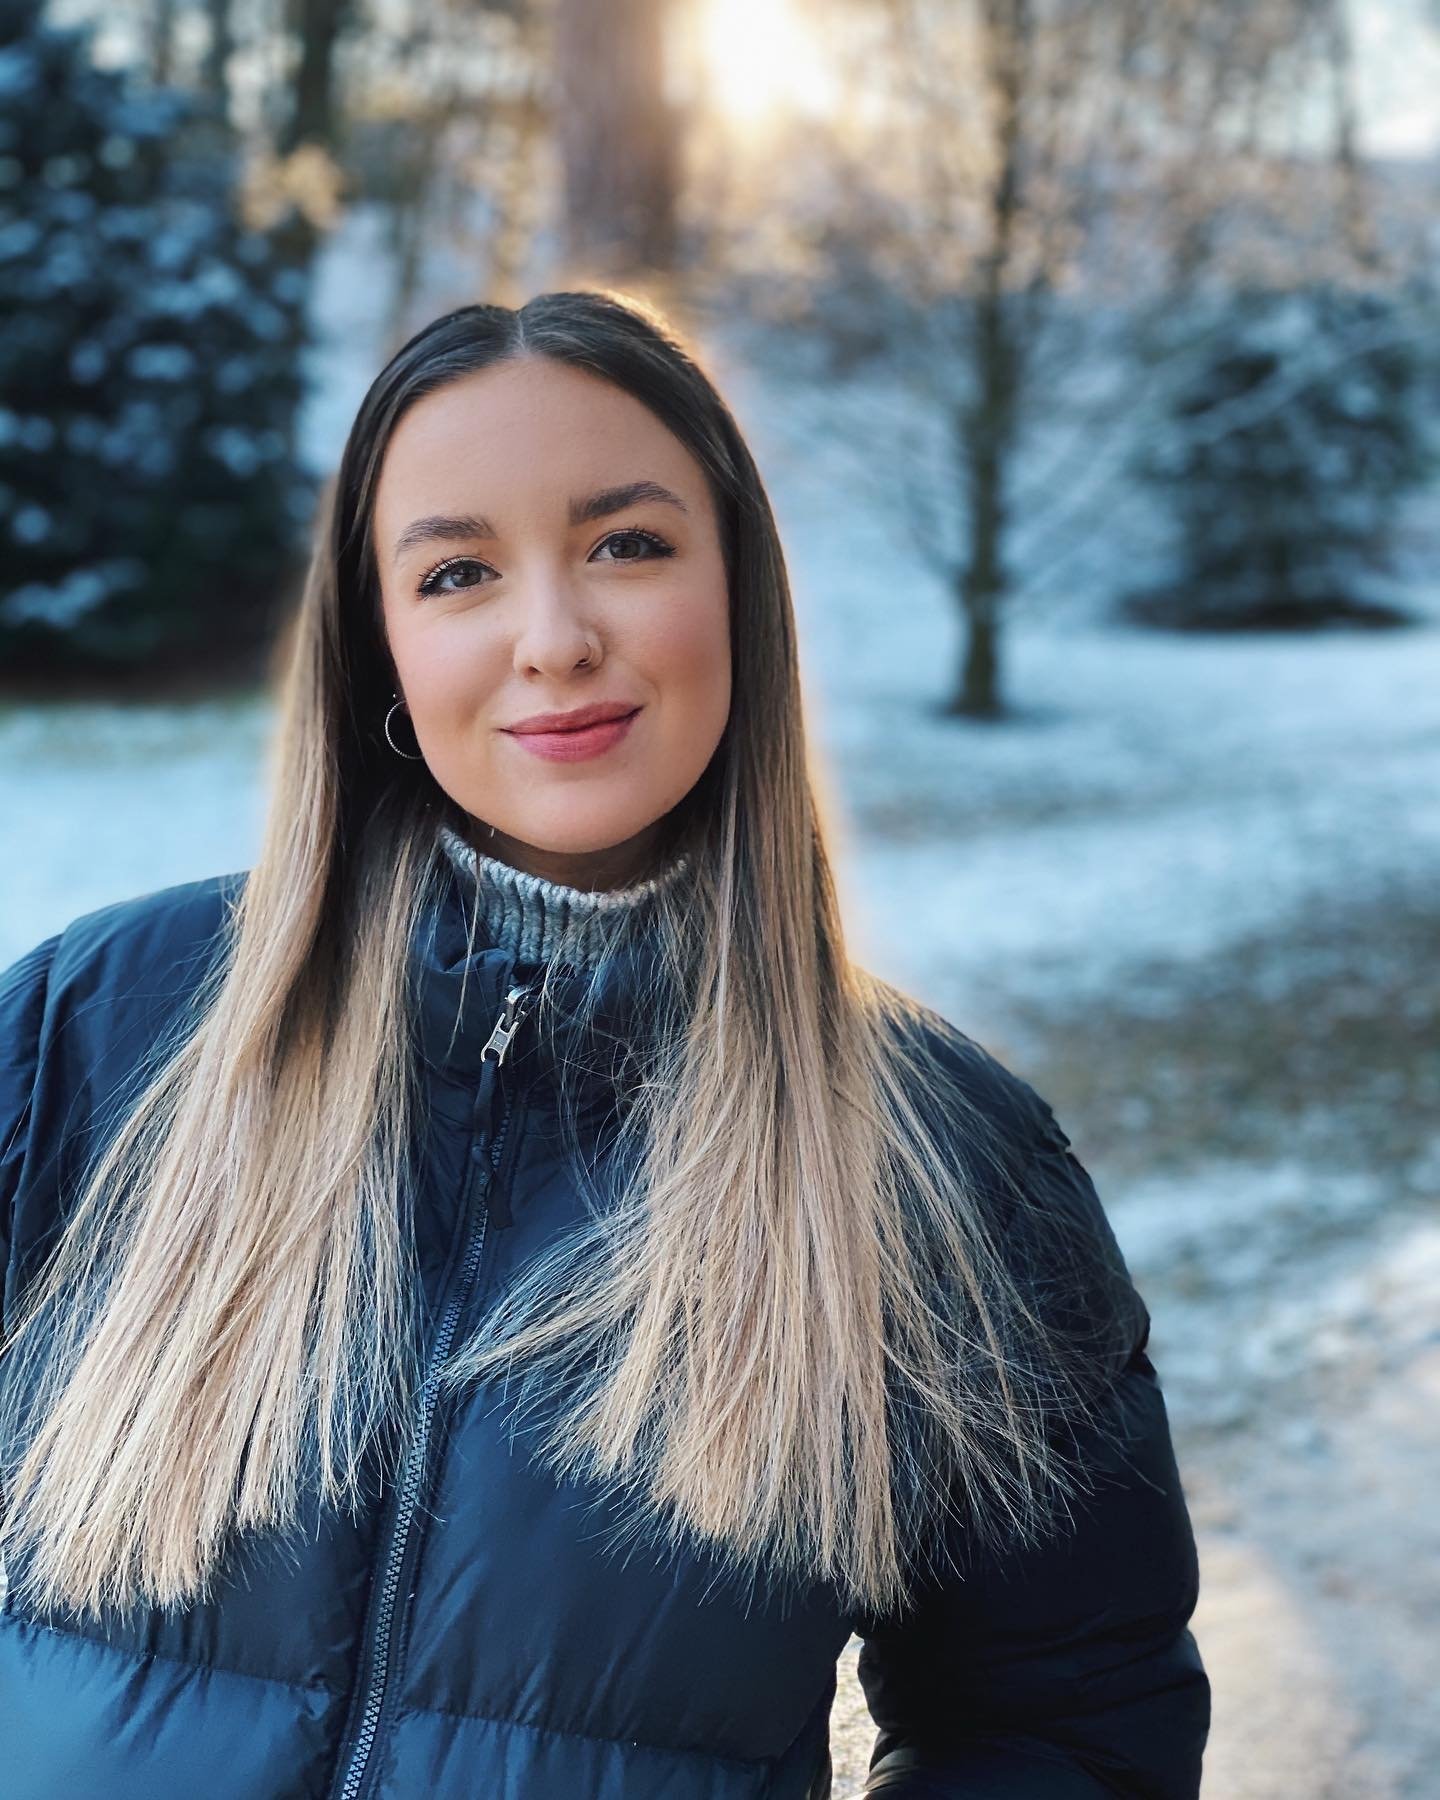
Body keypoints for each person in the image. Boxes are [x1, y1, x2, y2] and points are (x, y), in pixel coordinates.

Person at [0, 290, 1210, 1799]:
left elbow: (1072, 1729)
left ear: (739, 588)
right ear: (379, 648)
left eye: (628, 545)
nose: (555, 640)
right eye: (457, 572)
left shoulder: (951, 1168)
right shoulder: (94, 1029)